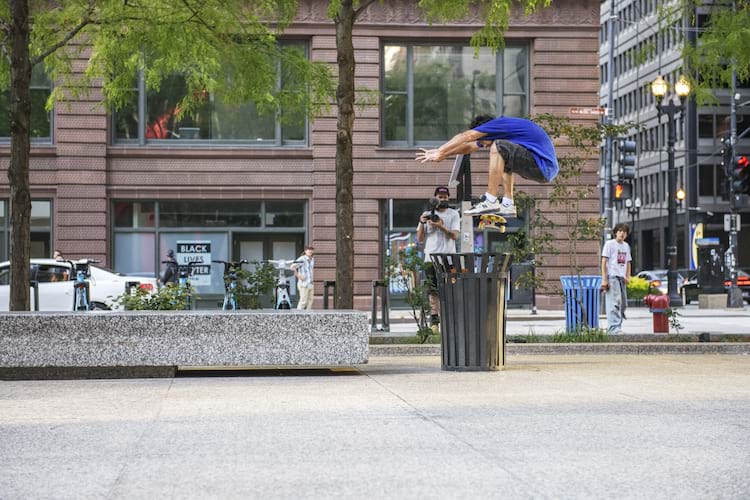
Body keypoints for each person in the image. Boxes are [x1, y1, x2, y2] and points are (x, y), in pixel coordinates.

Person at [416, 115, 560, 217]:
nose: (483, 146)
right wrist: (444, 154)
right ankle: (508, 204)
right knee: (503, 158)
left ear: (485, 131)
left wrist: (441, 150)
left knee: (498, 146)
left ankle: (490, 200)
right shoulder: (504, 132)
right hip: (544, 168)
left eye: (484, 143)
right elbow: (470, 146)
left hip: (542, 164)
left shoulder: (497, 125)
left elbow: (466, 137)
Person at [416, 186, 460, 331]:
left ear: (448, 198)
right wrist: (423, 222)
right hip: (431, 259)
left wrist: (441, 227)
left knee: (450, 289)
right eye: (440, 197)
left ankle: (449, 321)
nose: (443, 199)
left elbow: (455, 236)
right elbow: (420, 239)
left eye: (445, 197)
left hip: (448, 258)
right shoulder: (427, 214)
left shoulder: (453, 214)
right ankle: (434, 322)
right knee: (432, 290)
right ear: (435, 198)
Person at [601, 223, 632, 335]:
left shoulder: (626, 246)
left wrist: (628, 276)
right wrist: (604, 279)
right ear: (615, 233)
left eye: (624, 231)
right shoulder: (610, 244)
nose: (622, 233)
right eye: (620, 231)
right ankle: (613, 328)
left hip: (622, 278)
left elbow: (628, 262)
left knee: (623, 304)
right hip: (612, 277)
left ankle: (616, 327)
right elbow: (604, 262)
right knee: (614, 303)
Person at [293, 245, 315, 310]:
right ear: (305, 251)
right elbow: (292, 266)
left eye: (312, 249)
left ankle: (307, 315)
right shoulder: (302, 259)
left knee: (310, 300)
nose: (310, 251)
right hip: (303, 283)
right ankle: (298, 316)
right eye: (309, 249)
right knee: (303, 301)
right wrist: (298, 276)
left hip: (310, 283)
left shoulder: (312, 259)